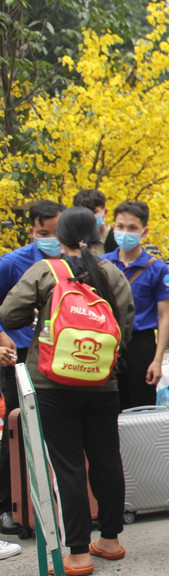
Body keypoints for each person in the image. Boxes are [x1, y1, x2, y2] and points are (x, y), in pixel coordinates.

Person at [0, 206, 134, 576]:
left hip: (51, 382)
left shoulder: (46, 271)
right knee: (106, 458)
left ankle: (77, 553)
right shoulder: (111, 273)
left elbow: (9, 315)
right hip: (103, 384)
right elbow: (125, 328)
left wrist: (43, 316)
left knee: (68, 465)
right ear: (97, 234)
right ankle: (109, 540)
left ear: (57, 238)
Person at [0, 200, 65, 536]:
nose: (51, 239)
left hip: (59, 358)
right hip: (19, 356)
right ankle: (10, 504)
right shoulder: (13, 263)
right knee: (18, 427)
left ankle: (56, 503)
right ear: (32, 231)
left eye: (57, 232)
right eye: (44, 233)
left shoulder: (71, 261)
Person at [103, 201, 169, 410]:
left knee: (141, 409)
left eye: (132, 228)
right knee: (110, 408)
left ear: (144, 231)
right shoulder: (103, 265)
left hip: (141, 346)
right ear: (113, 227)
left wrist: (157, 360)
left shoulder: (158, 269)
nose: (125, 232)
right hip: (109, 344)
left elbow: (163, 316)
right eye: (120, 226)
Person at [72, 189, 117, 256]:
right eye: (83, 213)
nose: (89, 217)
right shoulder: (74, 242)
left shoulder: (117, 240)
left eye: (94, 212)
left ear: (105, 212)